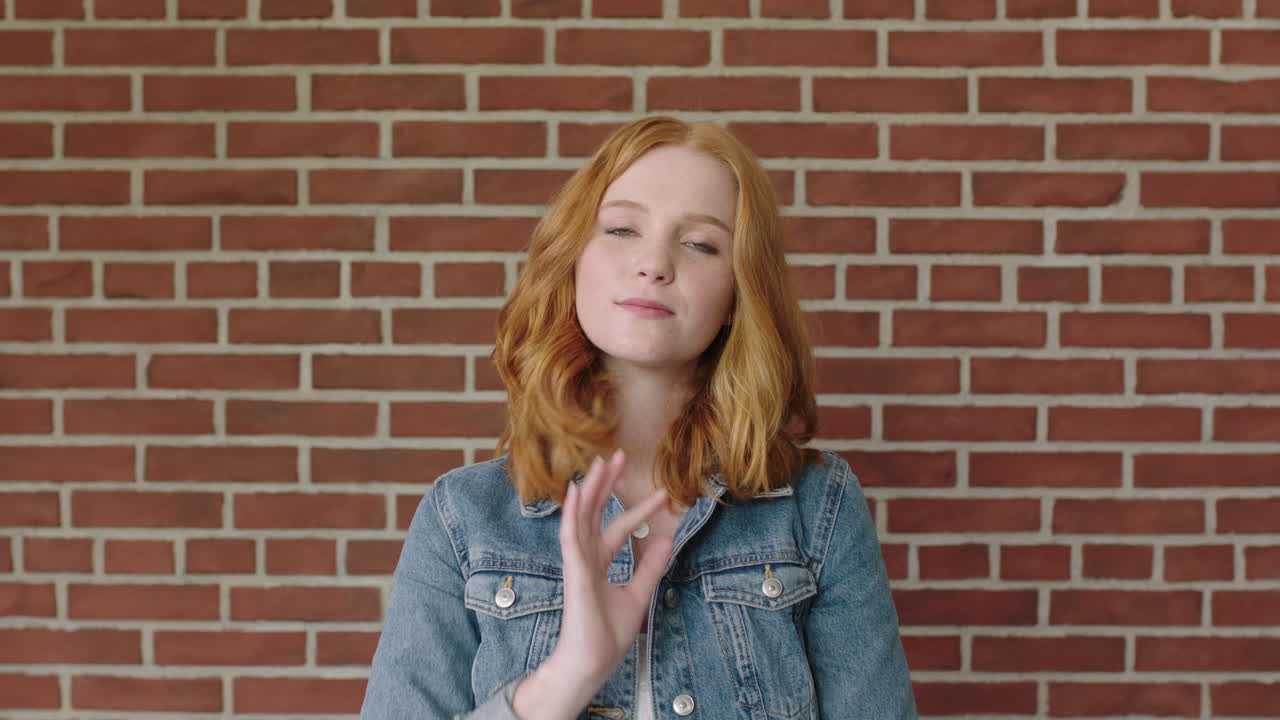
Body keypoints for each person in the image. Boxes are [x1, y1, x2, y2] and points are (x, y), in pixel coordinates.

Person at [360, 116, 917, 720]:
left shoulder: (816, 507)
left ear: (737, 295)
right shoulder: (461, 518)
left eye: (701, 243)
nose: (654, 264)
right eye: (623, 228)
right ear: (572, 258)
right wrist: (570, 674)